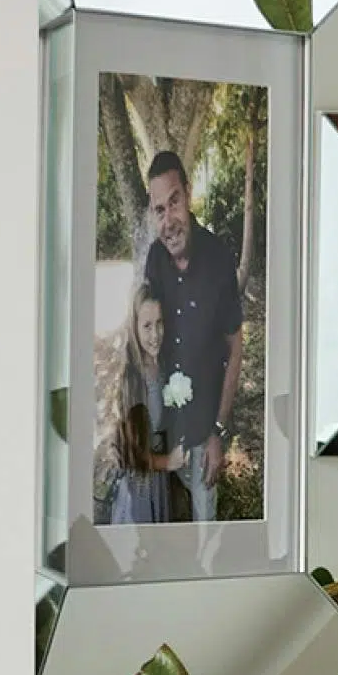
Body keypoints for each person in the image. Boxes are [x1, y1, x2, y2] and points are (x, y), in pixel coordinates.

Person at [140, 146, 247, 523]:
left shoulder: (219, 258)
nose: (169, 219)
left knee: (205, 545)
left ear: (188, 192)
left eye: (174, 201)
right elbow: (144, 333)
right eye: (159, 209)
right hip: (163, 431)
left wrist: (219, 429)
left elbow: (235, 348)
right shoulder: (154, 260)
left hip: (204, 433)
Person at [108, 282, 193, 526]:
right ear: (134, 327)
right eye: (146, 326)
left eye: (160, 323)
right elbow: (126, 455)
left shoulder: (165, 366)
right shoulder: (129, 377)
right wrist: (167, 462)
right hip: (138, 490)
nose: (155, 334)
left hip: (162, 486)